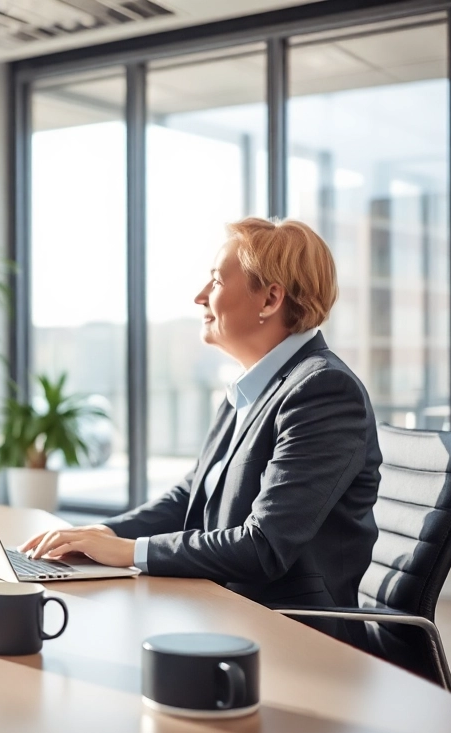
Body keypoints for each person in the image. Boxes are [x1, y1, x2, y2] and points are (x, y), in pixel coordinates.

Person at [21, 218, 380, 641]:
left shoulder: (323, 391)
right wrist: (107, 534)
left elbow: (264, 546)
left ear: (270, 299)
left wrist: (130, 553)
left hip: (287, 629)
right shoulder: (251, 388)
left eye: (215, 281)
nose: (199, 297)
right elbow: (190, 496)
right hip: (222, 606)